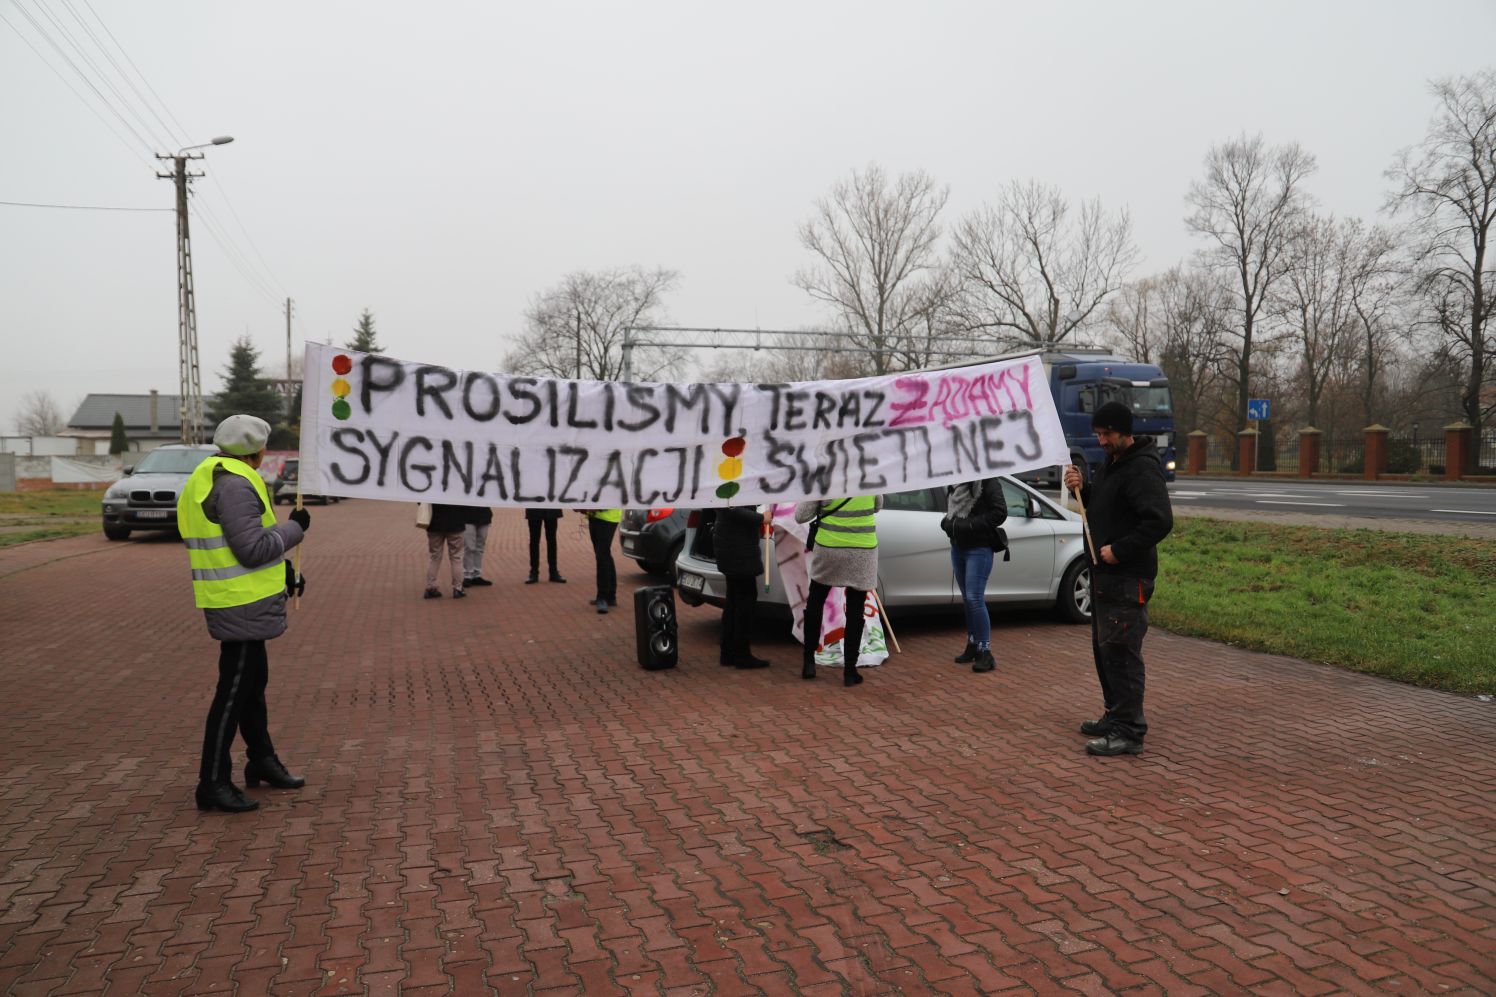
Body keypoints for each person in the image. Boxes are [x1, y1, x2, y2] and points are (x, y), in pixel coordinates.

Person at [177, 414, 309, 814]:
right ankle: (212, 781)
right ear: (259, 448)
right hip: (240, 601)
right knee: (234, 692)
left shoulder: (219, 474)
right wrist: (296, 529)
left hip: (243, 598)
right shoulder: (234, 484)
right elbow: (251, 548)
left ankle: (262, 760)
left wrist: (285, 569)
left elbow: (246, 543)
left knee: (251, 685)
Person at [1063, 400, 1173, 757]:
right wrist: (1085, 488)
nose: (1101, 440)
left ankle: (1130, 730)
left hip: (1127, 576)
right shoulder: (1113, 464)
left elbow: (1159, 521)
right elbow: (1106, 507)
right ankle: (1114, 715)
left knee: (1123, 654)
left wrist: (1120, 550)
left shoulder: (1141, 469)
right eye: (1097, 434)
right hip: (1104, 576)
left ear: (1125, 432)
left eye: (1106, 434)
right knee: (1105, 650)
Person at [794, 495, 881, 687]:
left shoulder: (826, 479)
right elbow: (878, 506)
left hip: (829, 548)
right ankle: (850, 671)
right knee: (856, 610)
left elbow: (800, 516)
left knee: (816, 601)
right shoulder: (871, 477)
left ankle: (808, 662)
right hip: (863, 550)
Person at [941, 477, 1008, 674]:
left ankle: (985, 652)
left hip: (979, 548)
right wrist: (947, 522)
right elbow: (951, 512)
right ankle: (973, 643)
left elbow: (1000, 512)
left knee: (974, 598)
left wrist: (969, 525)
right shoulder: (955, 482)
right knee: (968, 599)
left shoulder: (988, 481)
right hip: (958, 547)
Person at [712, 505, 771, 669]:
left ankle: (729, 652)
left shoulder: (727, 484)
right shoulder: (730, 487)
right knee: (745, 603)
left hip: (733, 547)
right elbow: (733, 510)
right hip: (738, 550)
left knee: (733, 602)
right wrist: (761, 518)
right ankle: (741, 655)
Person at [423, 503, 468, 599]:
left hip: (434, 523)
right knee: (456, 557)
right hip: (455, 523)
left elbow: (420, 502)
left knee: (434, 557)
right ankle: (458, 588)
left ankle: (430, 586)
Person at [583, 508, 621, 613]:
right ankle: (611, 595)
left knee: (602, 556)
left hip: (608, 517)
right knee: (604, 555)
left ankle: (602, 596)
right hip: (594, 516)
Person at [524, 507, 566, 584]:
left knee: (552, 540)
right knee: (534, 541)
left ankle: (553, 572)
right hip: (534, 508)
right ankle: (533, 572)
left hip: (551, 509)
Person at [462, 505, 494, 587]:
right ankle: (468, 575)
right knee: (469, 547)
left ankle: (476, 574)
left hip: (484, 516)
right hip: (467, 516)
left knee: (480, 547)